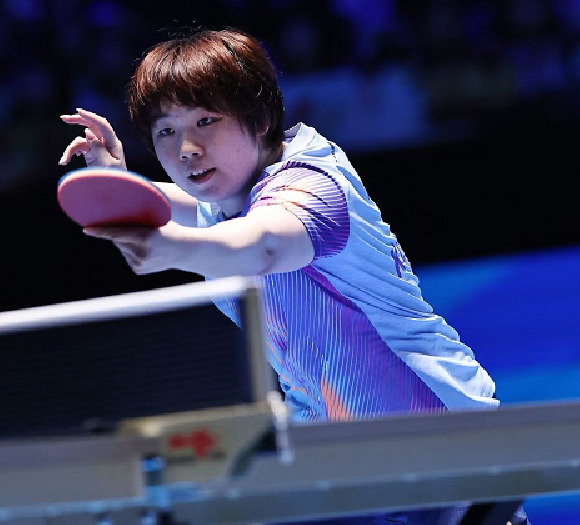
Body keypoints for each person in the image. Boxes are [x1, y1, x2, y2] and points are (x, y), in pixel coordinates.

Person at [58, 28, 527, 525]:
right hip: (347, 469)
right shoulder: (230, 197)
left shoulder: (312, 186)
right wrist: (120, 184)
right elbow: (190, 207)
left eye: (205, 121)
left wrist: (169, 247)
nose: (186, 148)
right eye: (166, 131)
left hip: (447, 457)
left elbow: (261, 245)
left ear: (260, 118)